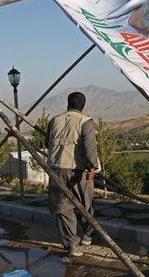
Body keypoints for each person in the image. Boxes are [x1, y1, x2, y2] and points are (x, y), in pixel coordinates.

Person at [46, 92, 100, 259]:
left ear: (68, 103)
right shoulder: (85, 121)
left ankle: (72, 245)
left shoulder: (54, 120)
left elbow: (47, 142)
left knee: (63, 208)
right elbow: (90, 146)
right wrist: (92, 167)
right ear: (83, 105)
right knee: (85, 204)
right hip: (79, 170)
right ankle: (87, 235)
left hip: (57, 168)